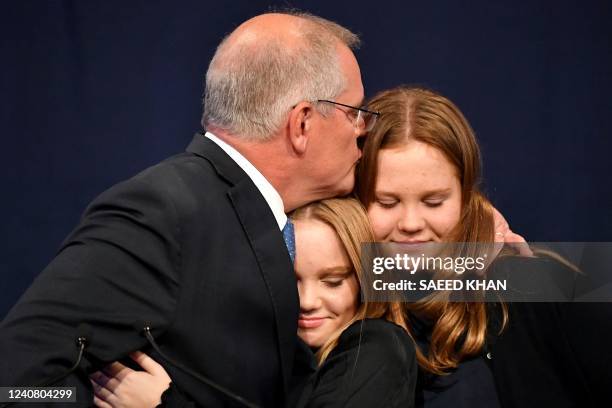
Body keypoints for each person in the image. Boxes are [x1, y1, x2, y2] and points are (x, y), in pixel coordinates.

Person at [0, 11, 374, 407]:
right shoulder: (164, 212)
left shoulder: (263, 216)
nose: (363, 129)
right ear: (302, 123)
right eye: (353, 112)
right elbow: (14, 380)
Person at [356, 86, 611, 407]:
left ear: (464, 196)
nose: (411, 223)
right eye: (386, 202)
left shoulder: (543, 290)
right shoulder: (331, 297)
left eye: (434, 202)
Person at [89, 198, 418, 408]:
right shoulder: (261, 358)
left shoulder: (378, 347)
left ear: (363, 282)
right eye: (289, 281)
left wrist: (162, 404)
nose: (306, 301)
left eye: (333, 281)